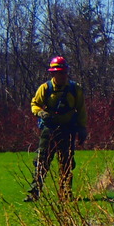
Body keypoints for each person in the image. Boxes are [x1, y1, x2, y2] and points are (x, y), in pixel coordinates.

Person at [25, 56, 88, 202]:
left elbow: (81, 110)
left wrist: (82, 129)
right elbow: (34, 104)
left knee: (67, 162)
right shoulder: (45, 88)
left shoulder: (75, 89)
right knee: (42, 161)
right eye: (58, 73)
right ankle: (35, 192)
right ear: (52, 74)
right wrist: (41, 112)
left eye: (63, 72)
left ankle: (66, 193)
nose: (61, 75)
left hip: (68, 130)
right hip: (49, 130)